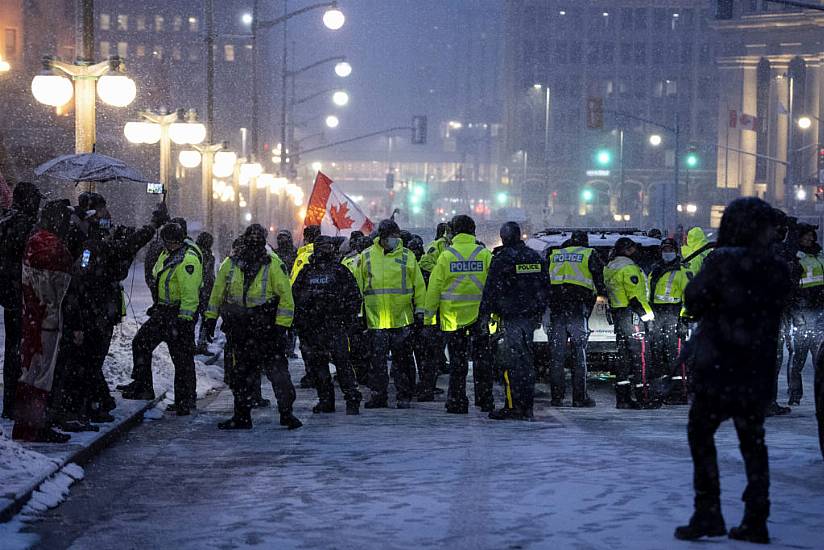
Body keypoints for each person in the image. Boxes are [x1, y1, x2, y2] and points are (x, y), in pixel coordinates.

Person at [675, 197, 792, 544]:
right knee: (753, 443)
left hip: (719, 367)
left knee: (701, 434)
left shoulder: (721, 262)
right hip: (756, 370)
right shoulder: (776, 267)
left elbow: (693, 303)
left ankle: (708, 510)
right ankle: (757, 516)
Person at [51, 193, 166, 430]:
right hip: (91, 313)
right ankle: (82, 409)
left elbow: (120, 253)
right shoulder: (89, 244)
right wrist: (150, 227)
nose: (107, 216)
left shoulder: (91, 239)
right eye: (103, 210)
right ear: (93, 213)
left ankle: (93, 405)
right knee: (86, 363)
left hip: (95, 312)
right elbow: (90, 273)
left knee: (88, 363)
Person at [203, 224, 301, 429]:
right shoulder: (230, 264)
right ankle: (242, 416)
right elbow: (217, 293)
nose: (254, 241)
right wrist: (210, 318)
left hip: (266, 327)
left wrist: (280, 327)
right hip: (241, 328)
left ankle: (286, 413)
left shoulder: (273, 264)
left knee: (278, 374)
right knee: (242, 375)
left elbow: (286, 297)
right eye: (251, 237)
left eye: (258, 238)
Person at [122, 222, 201, 415]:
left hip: (178, 314)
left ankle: (185, 400)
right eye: (168, 242)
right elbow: (158, 277)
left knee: (182, 359)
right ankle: (143, 386)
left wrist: (184, 320)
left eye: (172, 242)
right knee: (141, 343)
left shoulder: (187, 260)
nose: (169, 245)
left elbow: (190, 295)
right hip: (163, 312)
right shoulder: (167, 254)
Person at [12, 200, 75, 442]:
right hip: (49, 319)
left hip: (30, 314)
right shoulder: (56, 250)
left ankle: (24, 424)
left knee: (28, 371)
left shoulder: (33, 241)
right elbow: (61, 291)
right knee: (43, 376)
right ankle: (37, 426)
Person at [479, 222, 548, 420]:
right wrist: (537, 311)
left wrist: (485, 315)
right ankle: (526, 407)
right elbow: (545, 287)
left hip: (511, 317)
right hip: (528, 317)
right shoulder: (534, 257)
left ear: (504, 237)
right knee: (525, 361)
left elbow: (491, 290)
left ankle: (515, 406)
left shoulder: (503, 259)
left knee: (513, 363)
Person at [424, 215, 493, 414]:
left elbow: (434, 289)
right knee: (482, 362)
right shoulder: (484, 254)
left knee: (457, 363)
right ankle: (484, 399)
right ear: (473, 230)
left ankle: (457, 401)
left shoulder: (446, 256)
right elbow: (493, 285)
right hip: (479, 318)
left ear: (453, 232)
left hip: (452, 319)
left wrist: (429, 318)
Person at [355, 219, 426, 409]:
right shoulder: (366, 256)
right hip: (376, 320)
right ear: (382, 237)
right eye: (391, 237)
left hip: (401, 319)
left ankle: (404, 396)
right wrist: (358, 315)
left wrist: (420, 311)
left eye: (396, 236)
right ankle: (379, 396)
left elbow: (419, 286)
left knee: (402, 362)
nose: (394, 240)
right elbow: (358, 287)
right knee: (377, 363)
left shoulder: (407, 256)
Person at [293, 235, 362, 415]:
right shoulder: (307, 272)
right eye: (322, 247)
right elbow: (296, 299)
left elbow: (354, 297)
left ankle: (351, 399)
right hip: (315, 327)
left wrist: (347, 319)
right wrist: (302, 322)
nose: (325, 250)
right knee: (321, 365)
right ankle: (327, 400)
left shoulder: (340, 271)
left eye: (327, 247)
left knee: (341, 363)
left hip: (333, 325)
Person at [546, 230, 606, 407]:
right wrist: (595, 298)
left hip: (557, 308)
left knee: (556, 356)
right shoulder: (589, 254)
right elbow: (600, 281)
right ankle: (579, 397)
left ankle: (557, 397)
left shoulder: (556, 254)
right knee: (579, 353)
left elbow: (544, 280)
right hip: (577, 308)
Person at [0, 182, 43, 419]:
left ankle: (11, 402)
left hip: (10, 294)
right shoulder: (27, 227)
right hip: (24, 294)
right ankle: (19, 402)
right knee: (24, 350)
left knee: (14, 348)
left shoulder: (5, 222)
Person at [604, 237, 655, 409]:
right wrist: (648, 319)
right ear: (627, 249)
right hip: (633, 314)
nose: (636, 252)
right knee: (641, 356)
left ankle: (623, 398)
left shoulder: (610, 266)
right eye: (633, 248)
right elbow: (635, 297)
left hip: (619, 314)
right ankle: (644, 396)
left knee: (623, 358)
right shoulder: (629, 268)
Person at [647, 238, 690, 406]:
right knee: (657, 354)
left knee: (675, 355)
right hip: (657, 314)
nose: (667, 252)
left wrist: (684, 320)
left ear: (676, 251)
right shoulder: (655, 270)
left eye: (670, 249)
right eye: (664, 249)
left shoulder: (682, 271)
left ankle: (679, 392)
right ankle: (661, 390)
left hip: (673, 313)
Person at [789, 224, 824, 405]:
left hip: (820, 311)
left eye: (812, 235)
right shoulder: (795, 258)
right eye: (806, 235)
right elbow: (791, 288)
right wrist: (795, 311)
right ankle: (795, 394)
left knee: (820, 357)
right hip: (803, 311)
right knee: (800, 357)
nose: (810, 238)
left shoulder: (820, 255)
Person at [195, 231, 216, 354]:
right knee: (204, 318)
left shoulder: (199, 253)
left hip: (202, 291)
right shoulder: (203, 255)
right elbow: (208, 275)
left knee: (198, 318)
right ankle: (201, 343)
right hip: (203, 291)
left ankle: (199, 344)